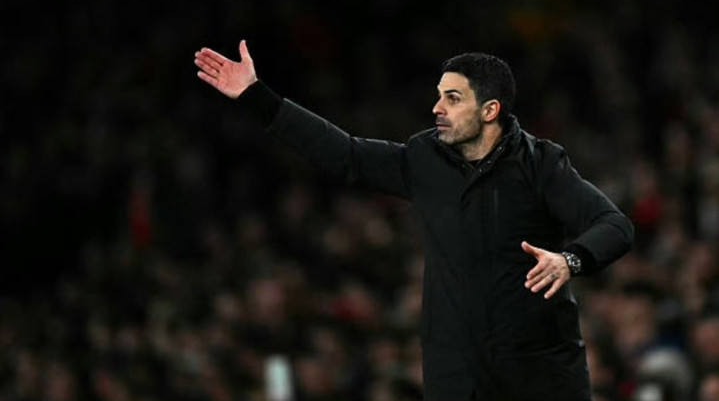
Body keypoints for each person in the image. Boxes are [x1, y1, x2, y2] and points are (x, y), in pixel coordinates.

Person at [193, 40, 634, 401]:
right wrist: (257, 97)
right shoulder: (425, 158)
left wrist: (569, 260)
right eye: (439, 95)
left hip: (539, 375)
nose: (437, 107)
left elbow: (614, 225)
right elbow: (345, 154)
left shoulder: (541, 165)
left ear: (490, 110)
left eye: (452, 98)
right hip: (456, 376)